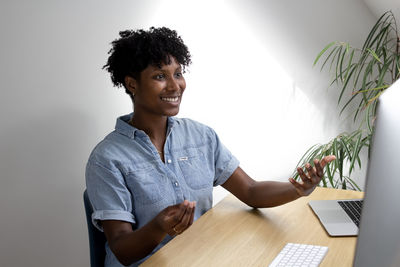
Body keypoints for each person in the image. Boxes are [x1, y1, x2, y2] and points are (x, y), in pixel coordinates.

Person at [85, 27, 336, 267]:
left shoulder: (201, 136)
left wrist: (297, 189)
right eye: (160, 76)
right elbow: (122, 249)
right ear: (132, 84)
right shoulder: (106, 159)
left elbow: (250, 191)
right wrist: (159, 226)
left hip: (204, 258)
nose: (175, 86)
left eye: (178, 73)